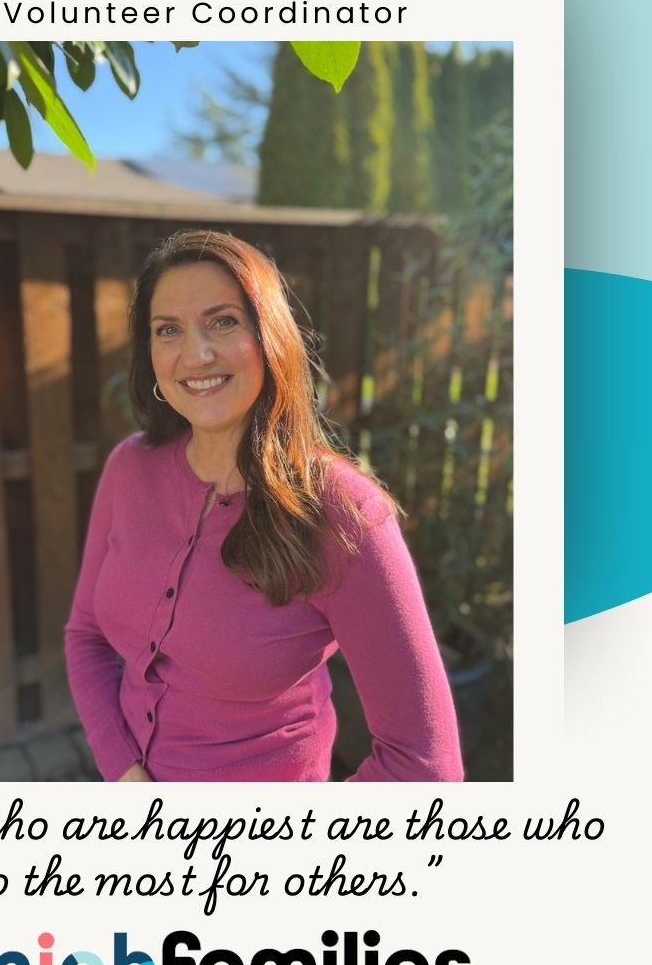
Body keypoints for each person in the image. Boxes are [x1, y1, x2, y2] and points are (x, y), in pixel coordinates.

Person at [64, 229, 463, 782]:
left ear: (269, 334)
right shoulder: (129, 468)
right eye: (168, 330)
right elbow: (83, 635)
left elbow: (425, 766)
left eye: (223, 321)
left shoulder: (342, 513)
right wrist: (123, 770)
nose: (195, 354)